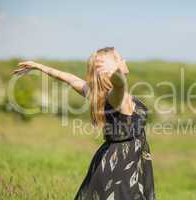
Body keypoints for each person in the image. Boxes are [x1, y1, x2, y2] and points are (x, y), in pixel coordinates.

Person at [14, 47, 156, 200]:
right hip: (121, 168)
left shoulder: (98, 95)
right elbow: (119, 84)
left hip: (113, 161)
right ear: (111, 68)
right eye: (119, 59)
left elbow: (70, 79)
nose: (124, 61)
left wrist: (39, 66)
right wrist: (117, 73)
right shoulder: (117, 97)